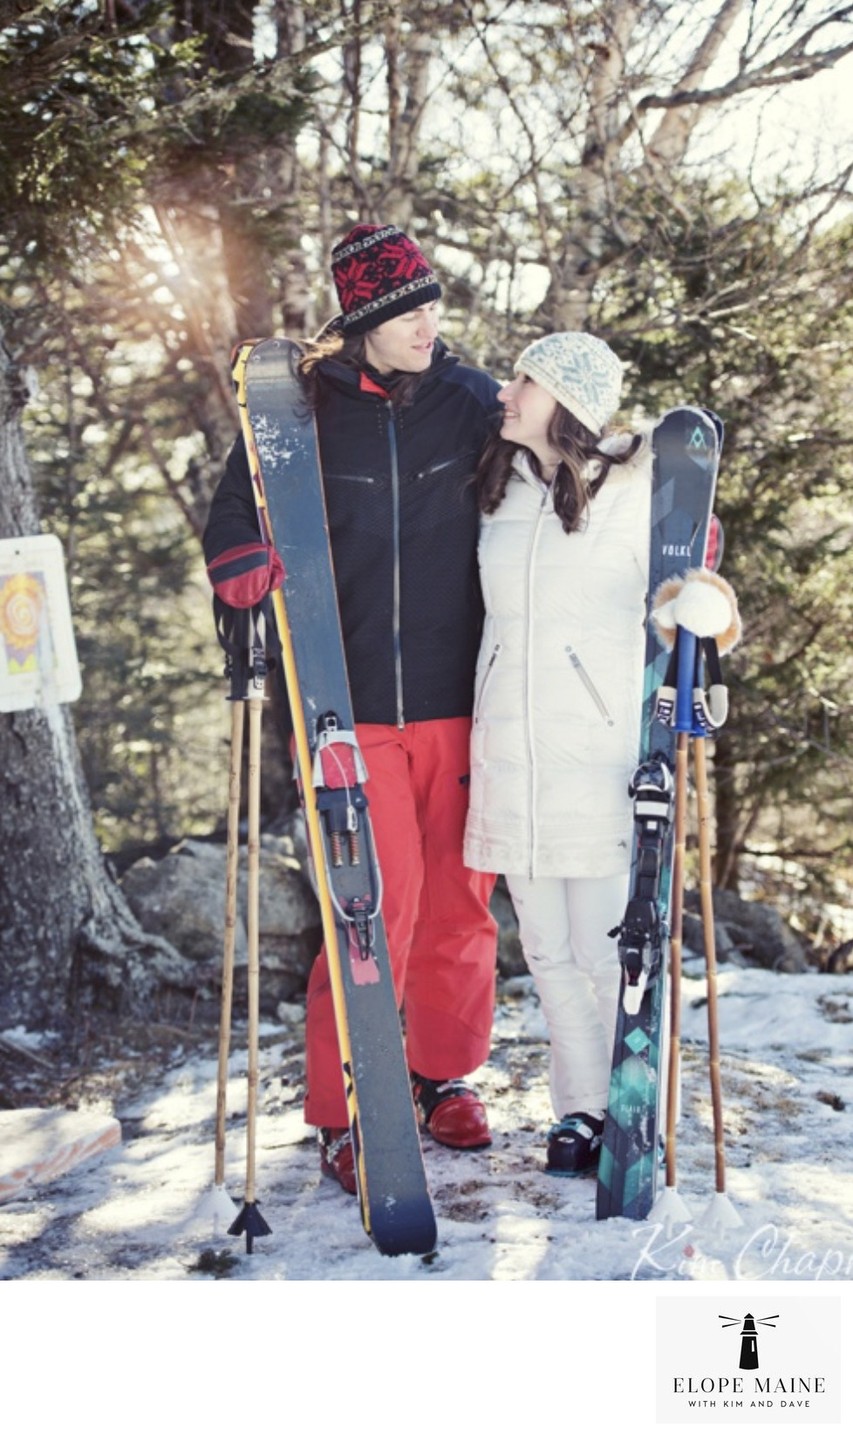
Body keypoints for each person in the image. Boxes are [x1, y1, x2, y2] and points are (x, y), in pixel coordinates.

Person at [203, 223, 501, 1194]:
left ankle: (438, 1071)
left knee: (460, 902)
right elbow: (237, 513)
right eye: (409, 310)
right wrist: (243, 566)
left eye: (434, 305)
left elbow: (561, 470)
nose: (430, 324)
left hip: (462, 699)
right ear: (366, 320)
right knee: (371, 906)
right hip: (349, 700)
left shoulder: (470, 402)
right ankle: (344, 1105)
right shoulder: (300, 408)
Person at [463, 330, 653, 1176]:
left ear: (567, 401)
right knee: (542, 951)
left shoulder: (638, 488)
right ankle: (576, 1111)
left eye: (525, 382)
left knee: (605, 952)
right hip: (510, 749)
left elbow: (694, 591)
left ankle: (631, 1102)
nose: (506, 394)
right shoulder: (499, 489)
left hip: (594, 752)